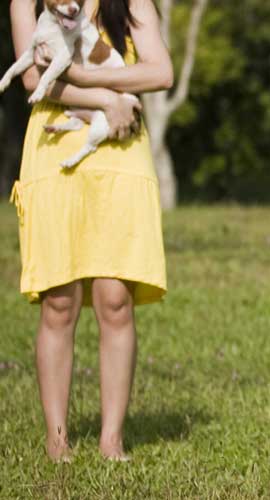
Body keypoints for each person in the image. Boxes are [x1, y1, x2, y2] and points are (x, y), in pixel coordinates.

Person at [9, 0, 173, 462]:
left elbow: (161, 72)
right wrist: (106, 98)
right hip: (55, 146)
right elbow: (32, 79)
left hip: (119, 147)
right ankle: (57, 441)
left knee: (115, 299)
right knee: (59, 302)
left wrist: (81, 77)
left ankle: (111, 441)